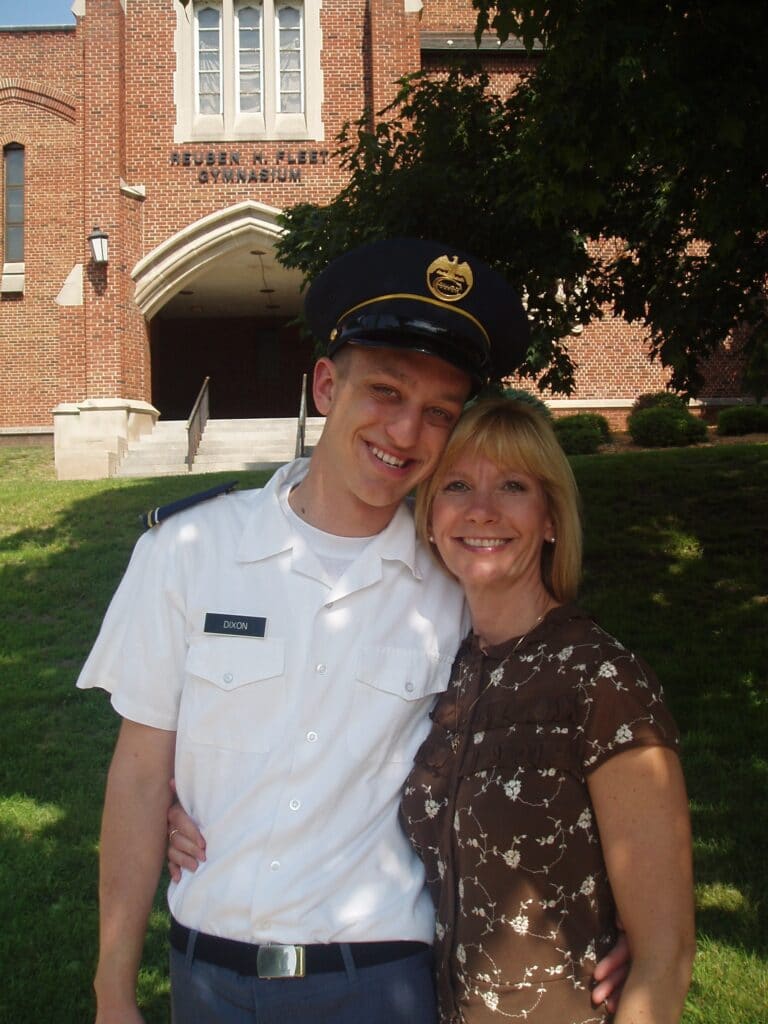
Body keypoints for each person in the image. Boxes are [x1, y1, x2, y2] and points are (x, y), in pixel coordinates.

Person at [78, 237, 627, 1024]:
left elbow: (550, 745)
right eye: (386, 393)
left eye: (439, 413)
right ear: (327, 385)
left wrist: (622, 918)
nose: (406, 433)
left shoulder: (457, 587)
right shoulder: (189, 553)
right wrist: (112, 991)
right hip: (206, 977)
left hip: (378, 982)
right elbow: (136, 777)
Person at [399, 397, 696, 1022]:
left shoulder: (600, 680)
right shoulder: (441, 675)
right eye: (457, 486)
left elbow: (665, 955)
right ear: (430, 519)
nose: (481, 510)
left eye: (512, 486)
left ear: (551, 519)